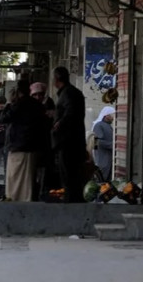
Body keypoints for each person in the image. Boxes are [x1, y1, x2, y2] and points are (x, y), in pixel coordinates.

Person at [0, 80, 50, 201]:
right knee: (27, 179)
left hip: (19, 147)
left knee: (15, 177)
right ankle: (26, 199)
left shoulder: (19, 105)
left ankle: (15, 199)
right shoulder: (37, 106)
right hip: (32, 147)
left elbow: (4, 118)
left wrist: (10, 104)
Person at [52, 66, 87, 203]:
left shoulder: (69, 94)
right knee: (69, 174)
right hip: (70, 141)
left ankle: (72, 201)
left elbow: (70, 114)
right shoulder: (69, 93)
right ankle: (71, 198)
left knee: (69, 174)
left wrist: (59, 123)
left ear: (57, 79)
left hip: (69, 142)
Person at [92, 106, 116, 182]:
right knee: (101, 181)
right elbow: (98, 142)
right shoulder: (98, 125)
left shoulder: (108, 126)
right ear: (106, 116)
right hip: (103, 159)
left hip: (109, 158)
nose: (113, 118)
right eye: (112, 116)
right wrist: (113, 145)